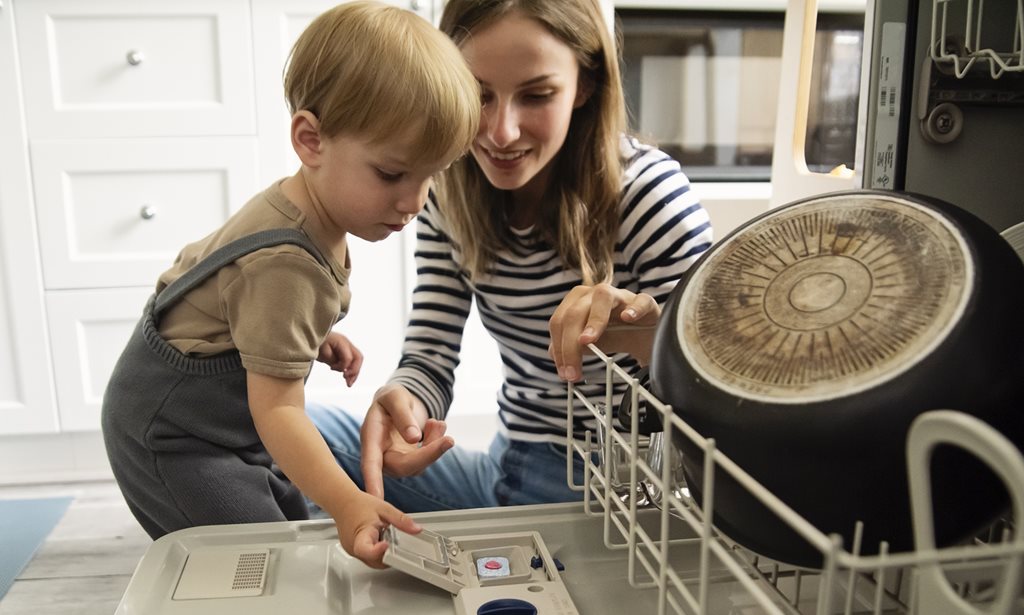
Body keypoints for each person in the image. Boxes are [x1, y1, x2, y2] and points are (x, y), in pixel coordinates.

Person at [100, 1, 480, 567]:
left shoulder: (302, 207)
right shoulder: (288, 261)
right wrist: (349, 504)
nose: (415, 202)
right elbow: (278, 410)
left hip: (210, 416)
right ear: (310, 140)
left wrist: (304, 336)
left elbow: (224, 299)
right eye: (392, 173)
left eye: (433, 175)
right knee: (262, 559)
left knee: (290, 517)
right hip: (176, 437)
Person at [308, 0, 713, 511]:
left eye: (537, 95)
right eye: (479, 95)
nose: (502, 133)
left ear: (585, 85)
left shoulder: (648, 192)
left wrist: (649, 333)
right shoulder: (443, 191)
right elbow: (430, 355)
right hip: (507, 462)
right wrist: (404, 408)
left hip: (610, 489)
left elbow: (714, 376)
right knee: (281, 428)